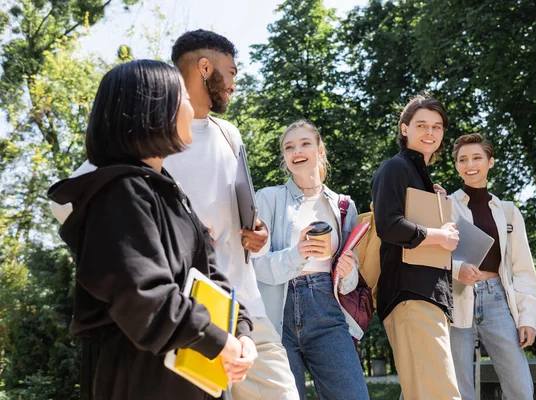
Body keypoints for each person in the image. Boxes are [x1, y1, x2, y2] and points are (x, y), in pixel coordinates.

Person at [51, 30, 299, 400]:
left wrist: (240, 330)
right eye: (179, 98)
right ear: (152, 110)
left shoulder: (172, 191)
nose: (190, 108)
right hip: (145, 371)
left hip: (201, 352)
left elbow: (213, 270)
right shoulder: (118, 191)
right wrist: (217, 339)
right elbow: (142, 293)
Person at [164, 30, 299, 400]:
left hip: (247, 308)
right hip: (191, 312)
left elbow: (243, 212)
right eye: (232, 72)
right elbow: (76, 200)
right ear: (204, 67)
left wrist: (257, 233)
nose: (235, 83)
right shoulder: (152, 133)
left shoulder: (230, 134)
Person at [253, 120, 370, 400]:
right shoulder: (267, 198)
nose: (297, 151)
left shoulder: (344, 206)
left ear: (320, 150)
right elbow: (256, 266)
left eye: (305, 143)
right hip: (277, 313)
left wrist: (349, 270)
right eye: (289, 147)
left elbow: (348, 282)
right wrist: (298, 252)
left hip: (327, 311)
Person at [370, 95, 461, 400]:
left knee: (425, 392)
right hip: (411, 295)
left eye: (437, 126)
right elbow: (389, 225)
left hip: (425, 295)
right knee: (440, 394)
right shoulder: (394, 168)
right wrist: (439, 234)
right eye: (422, 125)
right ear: (405, 129)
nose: (430, 132)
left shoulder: (421, 176)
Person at [449, 133, 536, 400]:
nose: (470, 164)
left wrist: (527, 318)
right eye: (462, 159)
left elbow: (522, 269)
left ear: (490, 162)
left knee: (520, 388)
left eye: (477, 157)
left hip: (498, 299)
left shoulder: (508, 211)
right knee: (459, 390)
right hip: (455, 299)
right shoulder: (444, 205)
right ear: (456, 165)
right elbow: (429, 256)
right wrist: (457, 269)